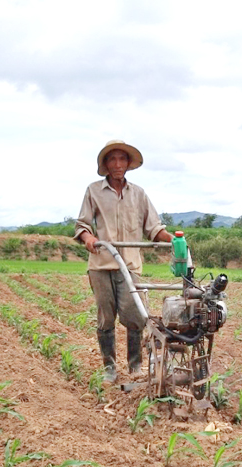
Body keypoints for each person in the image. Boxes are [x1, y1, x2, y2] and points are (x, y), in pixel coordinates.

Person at [74, 140, 172, 383]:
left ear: (128, 164)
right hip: (101, 264)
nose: (117, 164)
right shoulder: (93, 191)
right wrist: (88, 238)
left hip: (129, 266)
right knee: (106, 318)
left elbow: (154, 228)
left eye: (122, 159)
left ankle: (135, 367)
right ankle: (109, 368)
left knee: (135, 317)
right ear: (106, 164)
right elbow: (82, 224)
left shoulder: (139, 194)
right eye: (112, 159)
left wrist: (174, 239)